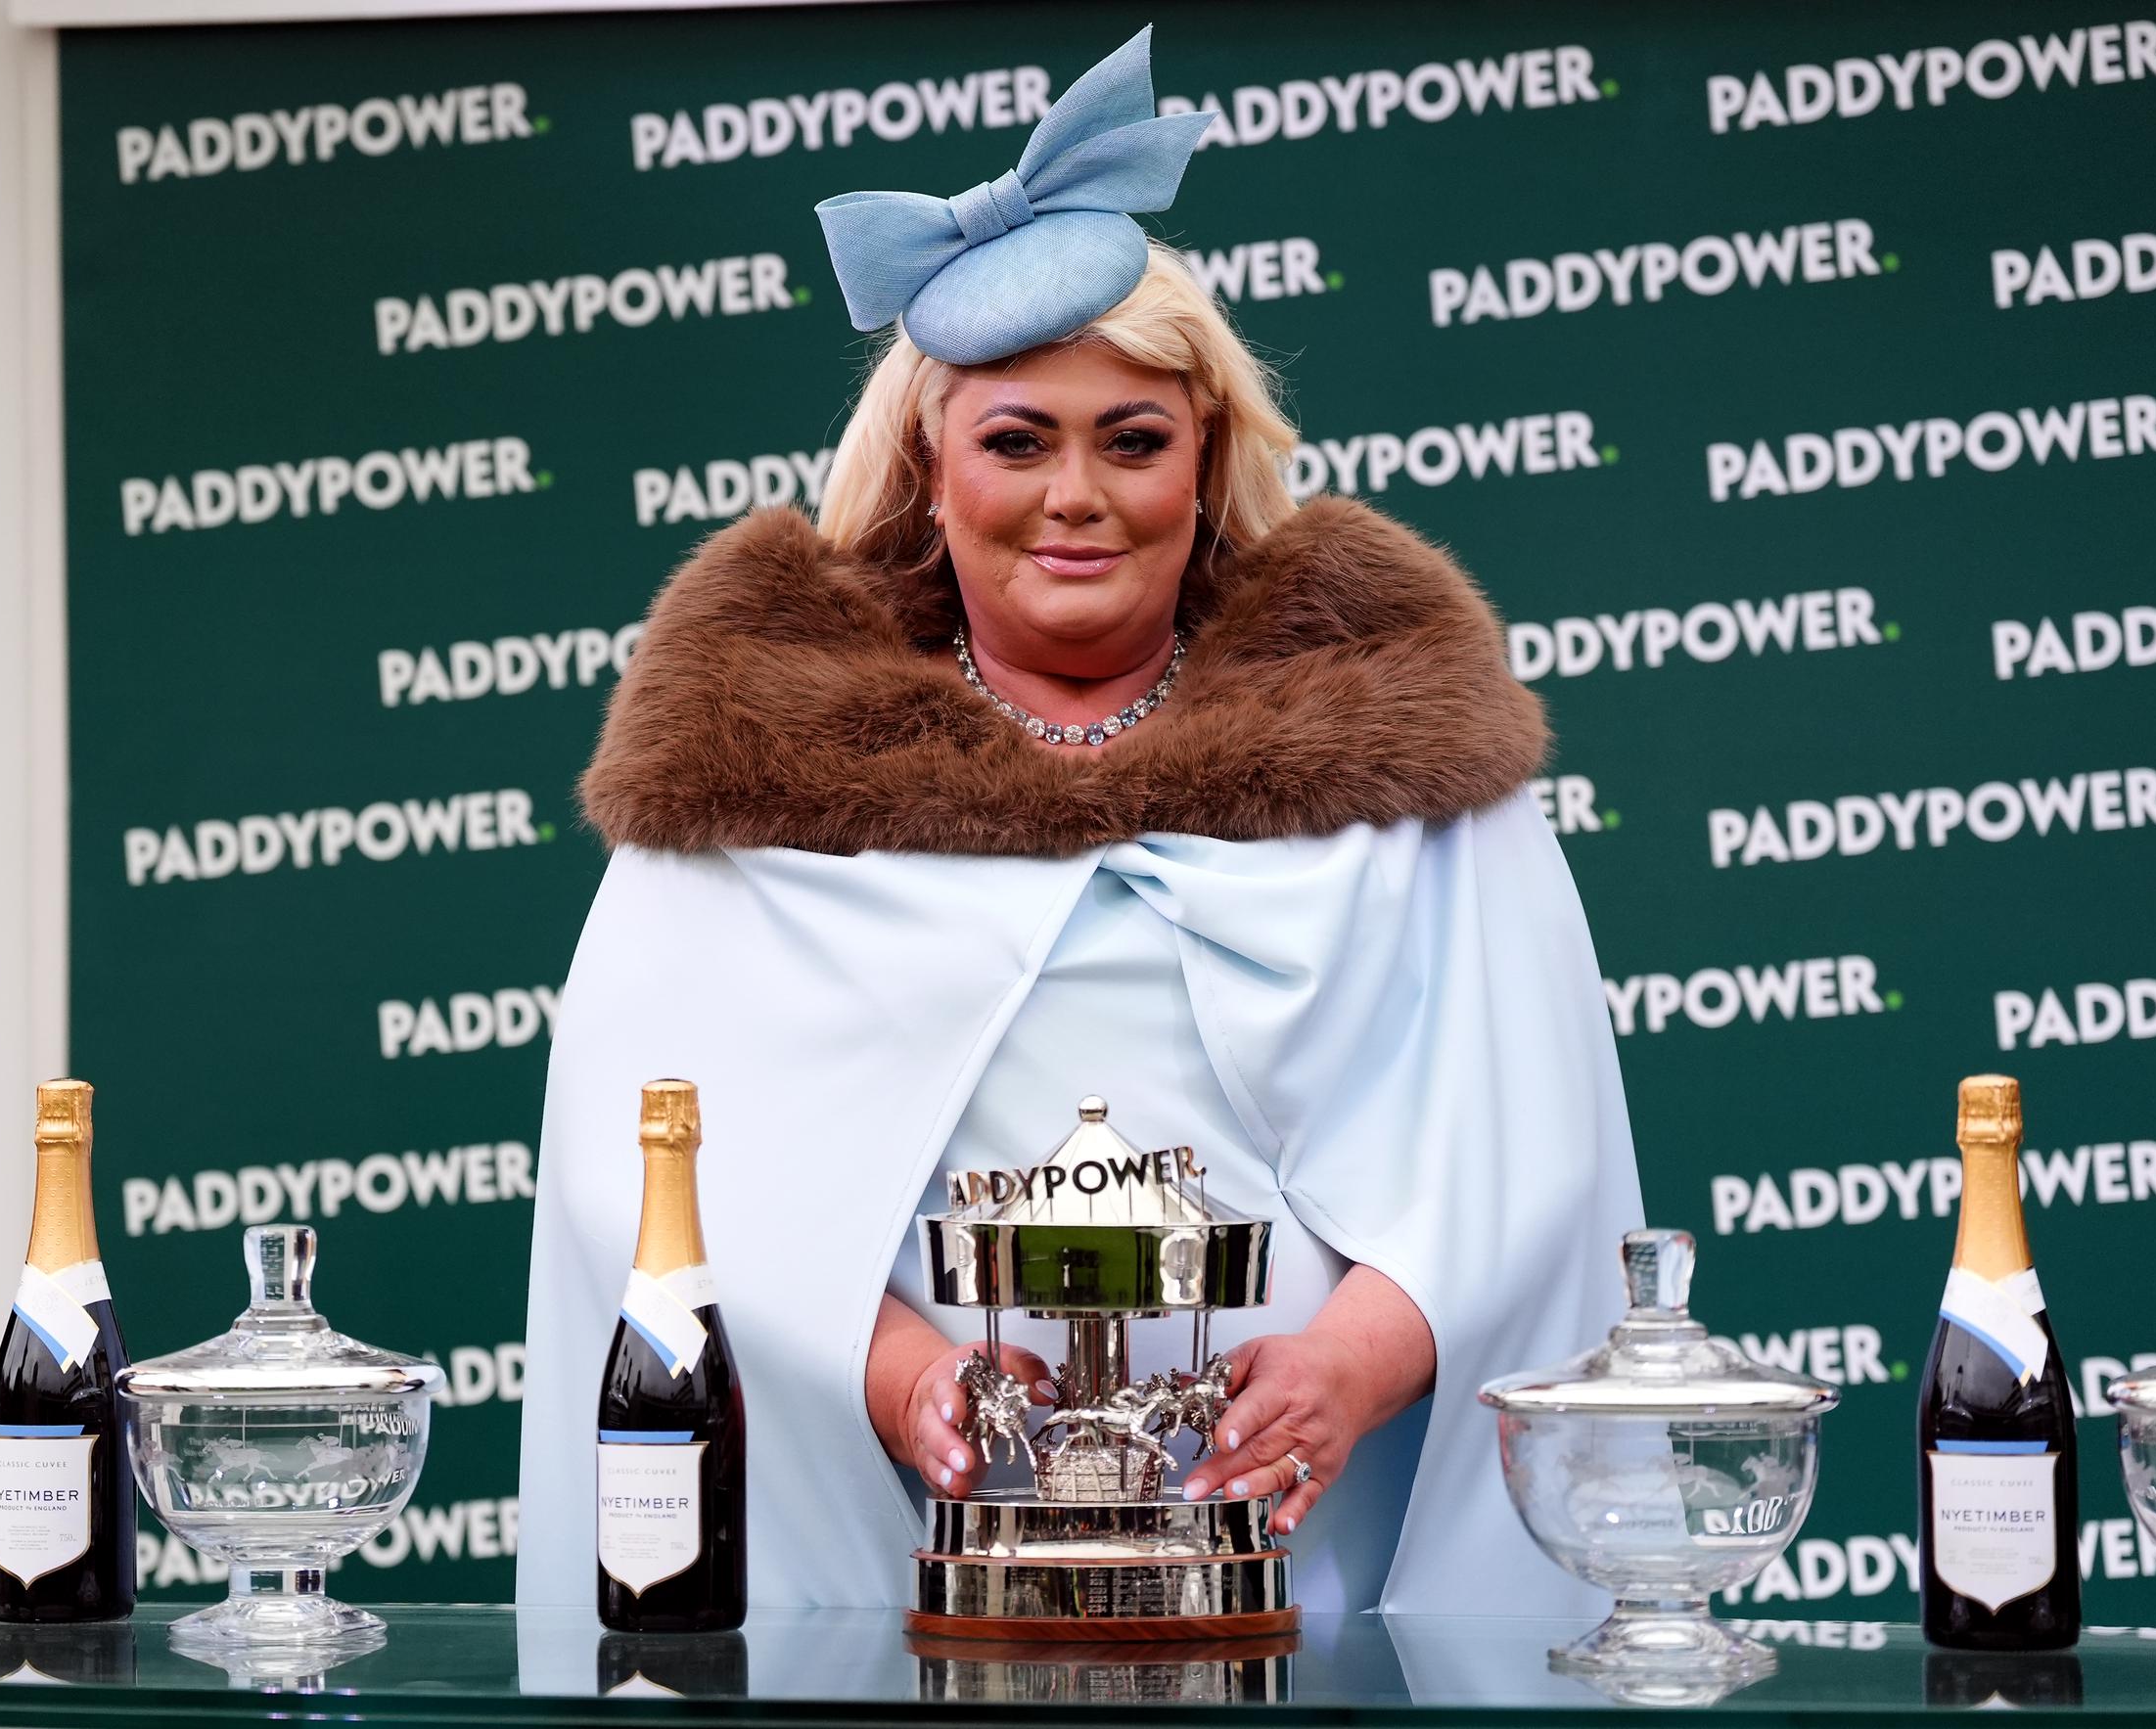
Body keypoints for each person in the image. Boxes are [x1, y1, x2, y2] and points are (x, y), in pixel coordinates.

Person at [516, 24, 1641, 1616]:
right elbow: (629, 1159)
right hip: (893, 1551)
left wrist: (1349, 1365)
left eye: (1132, 440)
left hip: (1327, 1568)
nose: (1077, 496)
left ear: (1208, 458)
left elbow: (1536, 1129)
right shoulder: (752, 763)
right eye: (1017, 441)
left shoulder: (1398, 737)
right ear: (928, 463)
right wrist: (894, 1367)